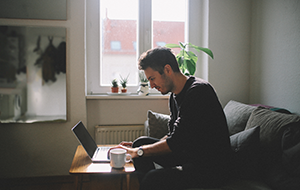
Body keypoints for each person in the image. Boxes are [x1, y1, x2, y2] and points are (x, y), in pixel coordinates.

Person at [110, 47, 233, 190]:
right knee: (140, 142)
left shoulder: (198, 92)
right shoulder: (174, 96)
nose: (151, 85)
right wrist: (139, 148)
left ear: (167, 70)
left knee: (152, 176)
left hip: (211, 168)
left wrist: (139, 151)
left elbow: (175, 143)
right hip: (190, 155)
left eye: (152, 78)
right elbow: (172, 135)